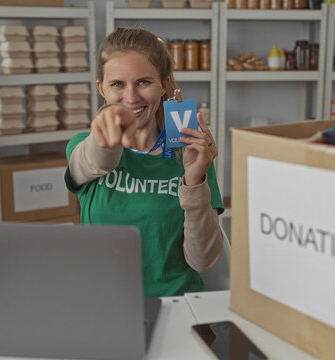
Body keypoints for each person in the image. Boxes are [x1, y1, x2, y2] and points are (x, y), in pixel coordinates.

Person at [64, 27, 224, 297]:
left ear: (163, 84)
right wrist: (107, 134)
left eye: (143, 82)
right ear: (101, 89)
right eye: (117, 84)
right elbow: (96, 159)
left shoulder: (192, 154)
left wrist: (194, 180)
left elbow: (203, 261)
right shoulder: (83, 145)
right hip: (106, 303)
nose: (131, 97)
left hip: (177, 304)